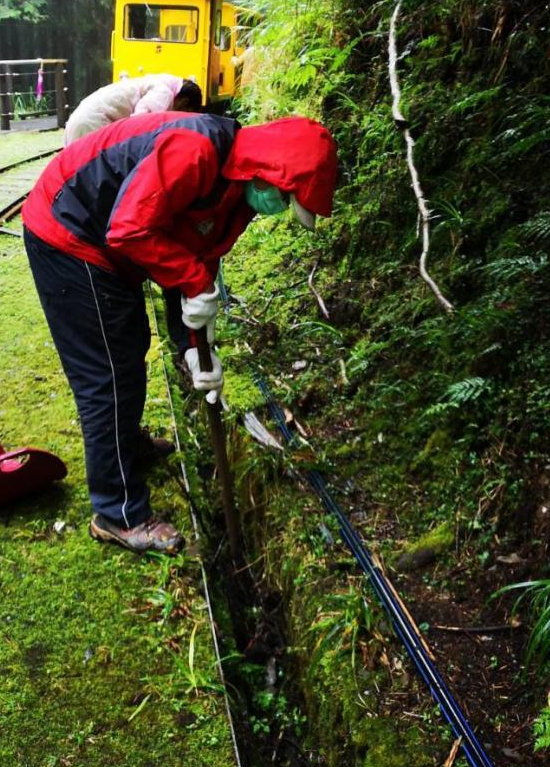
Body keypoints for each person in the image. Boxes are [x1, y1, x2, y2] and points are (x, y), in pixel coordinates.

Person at [22, 110, 337, 555]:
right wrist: (192, 280)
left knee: (128, 348)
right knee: (108, 375)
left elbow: (196, 265)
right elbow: (130, 230)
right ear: (269, 174)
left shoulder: (236, 195)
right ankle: (118, 514)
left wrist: (196, 347)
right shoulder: (195, 152)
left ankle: (125, 446)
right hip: (69, 232)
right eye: (286, 199)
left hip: (103, 240)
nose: (279, 209)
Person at [63, 74, 202, 145]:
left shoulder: (160, 82)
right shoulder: (164, 92)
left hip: (84, 119)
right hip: (94, 124)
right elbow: (141, 124)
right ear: (184, 102)